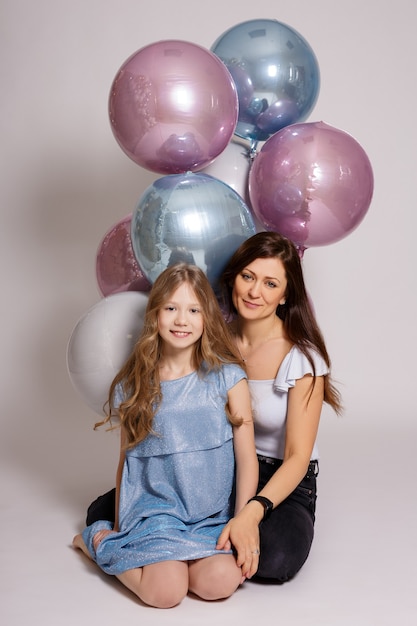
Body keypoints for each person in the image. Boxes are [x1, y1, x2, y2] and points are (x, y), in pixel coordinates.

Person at [85, 231, 342, 584]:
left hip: (282, 480)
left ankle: (184, 552)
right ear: (233, 277)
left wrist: (252, 512)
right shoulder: (213, 337)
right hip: (216, 467)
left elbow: (298, 456)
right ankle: (166, 547)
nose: (254, 292)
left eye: (270, 283)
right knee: (102, 511)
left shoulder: (302, 359)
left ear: (285, 295)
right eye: (248, 277)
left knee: (273, 559)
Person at [72, 263, 258, 608]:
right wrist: (119, 525)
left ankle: (179, 558)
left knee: (220, 582)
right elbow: (126, 461)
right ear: (155, 314)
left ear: (207, 318)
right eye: (171, 308)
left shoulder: (229, 379)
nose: (181, 320)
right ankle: (98, 541)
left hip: (210, 514)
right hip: (156, 513)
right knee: (166, 593)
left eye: (192, 310)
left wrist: (243, 519)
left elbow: (246, 458)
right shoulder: (136, 385)